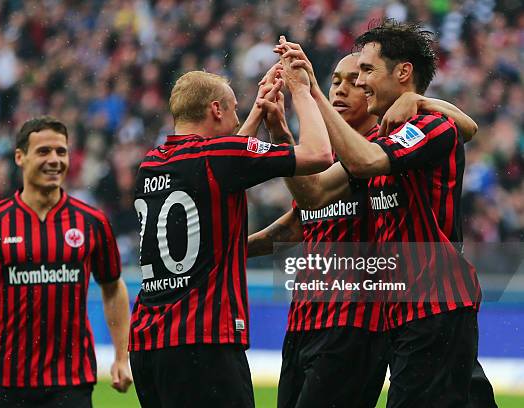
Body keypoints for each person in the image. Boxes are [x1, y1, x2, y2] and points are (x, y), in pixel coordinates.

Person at [276, 20, 496, 408]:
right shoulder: (383, 137)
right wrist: (284, 139)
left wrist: (312, 92)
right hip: (405, 314)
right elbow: (313, 194)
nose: (358, 83)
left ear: (403, 72)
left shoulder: (430, 125)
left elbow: (366, 161)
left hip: (435, 306)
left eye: (366, 71)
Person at [128, 58, 334, 407]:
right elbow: (319, 154)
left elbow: (223, 163)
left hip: (149, 344)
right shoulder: (218, 156)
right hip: (203, 342)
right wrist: (302, 89)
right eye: (234, 109)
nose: (240, 118)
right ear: (215, 109)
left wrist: (256, 111)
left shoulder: (153, 162)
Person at [0, 116, 133, 408]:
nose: (54, 160)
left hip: (71, 382)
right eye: (44, 151)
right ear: (20, 157)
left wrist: (122, 357)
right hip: (6, 381)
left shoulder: (92, 222)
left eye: (61, 151)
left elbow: (112, 287)